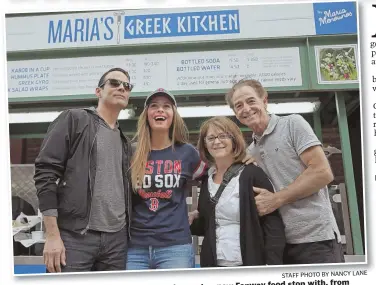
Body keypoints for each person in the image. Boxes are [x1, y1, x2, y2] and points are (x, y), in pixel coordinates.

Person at [225, 79, 344, 264]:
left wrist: (276, 199)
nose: (246, 109)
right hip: (278, 245)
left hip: (315, 240)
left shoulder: (292, 124)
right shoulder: (250, 152)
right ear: (235, 113)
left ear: (264, 100)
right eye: (238, 105)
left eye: (251, 101)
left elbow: (322, 172)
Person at [34, 67, 134, 272]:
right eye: (114, 83)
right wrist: (52, 235)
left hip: (116, 241)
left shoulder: (125, 141)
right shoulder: (74, 120)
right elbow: (45, 174)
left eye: (126, 86)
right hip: (75, 236)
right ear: (98, 91)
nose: (121, 88)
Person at [126, 88, 207, 270]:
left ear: (173, 115)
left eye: (166, 107)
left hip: (175, 246)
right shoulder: (131, 152)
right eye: (154, 106)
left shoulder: (187, 153)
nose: (160, 110)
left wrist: (199, 210)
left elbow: (211, 178)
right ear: (147, 115)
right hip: (135, 248)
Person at [189, 116, 286, 267]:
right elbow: (208, 225)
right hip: (214, 267)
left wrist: (272, 265)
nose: (217, 141)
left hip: (249, 265)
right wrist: (187, 220)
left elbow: (272, 224)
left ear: (234, 140)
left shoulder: (252, 174)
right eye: (211, 138)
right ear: (205, 144)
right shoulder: (207, 180)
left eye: (223, 136)